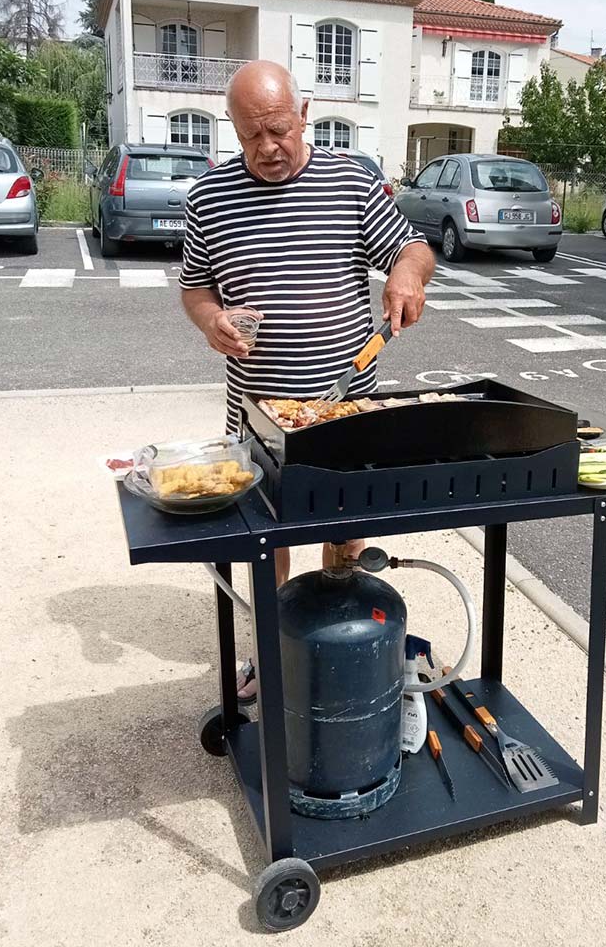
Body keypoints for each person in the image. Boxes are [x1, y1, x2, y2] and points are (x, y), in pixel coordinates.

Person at [180, 60, 435, 700]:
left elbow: (413, 249)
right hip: (257, 408)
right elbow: (196, 290)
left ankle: (337, 637)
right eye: (249, 136)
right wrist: (211, 320)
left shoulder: (351, 181)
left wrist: (407, 275)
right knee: (268, 536)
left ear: (304, 114)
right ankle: (272, 653)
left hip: (345, 406)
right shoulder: (207, 198)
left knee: (344, 528)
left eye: (277, 130)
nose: (266, 148)